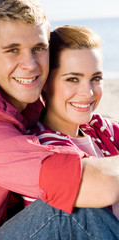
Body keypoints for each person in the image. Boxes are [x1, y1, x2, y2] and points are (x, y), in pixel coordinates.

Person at [0, 0, 119, 238]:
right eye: (12, 50)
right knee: (72, 210)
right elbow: (91, 185)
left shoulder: (27, 102)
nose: (30, 65)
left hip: (10, 224)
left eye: (38, 48)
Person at [23, 25, 119, 217]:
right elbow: (101, 189)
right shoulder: (43, 145)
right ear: (45, 83)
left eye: (96, 78)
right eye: (73, 79)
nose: (88, 93)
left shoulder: (100, 128)